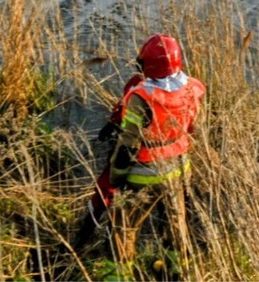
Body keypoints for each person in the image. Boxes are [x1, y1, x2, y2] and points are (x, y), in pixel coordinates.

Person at [76, 34, 206, 261]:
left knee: (123, 227)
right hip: (179, 169)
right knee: (175, 222)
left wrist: (116, 177)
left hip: (144, 174)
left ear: (146, 64)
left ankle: (119, 273)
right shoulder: (193, 88)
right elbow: (195, 127)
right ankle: (174, 269)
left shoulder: (142, 97)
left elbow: (128, 146)